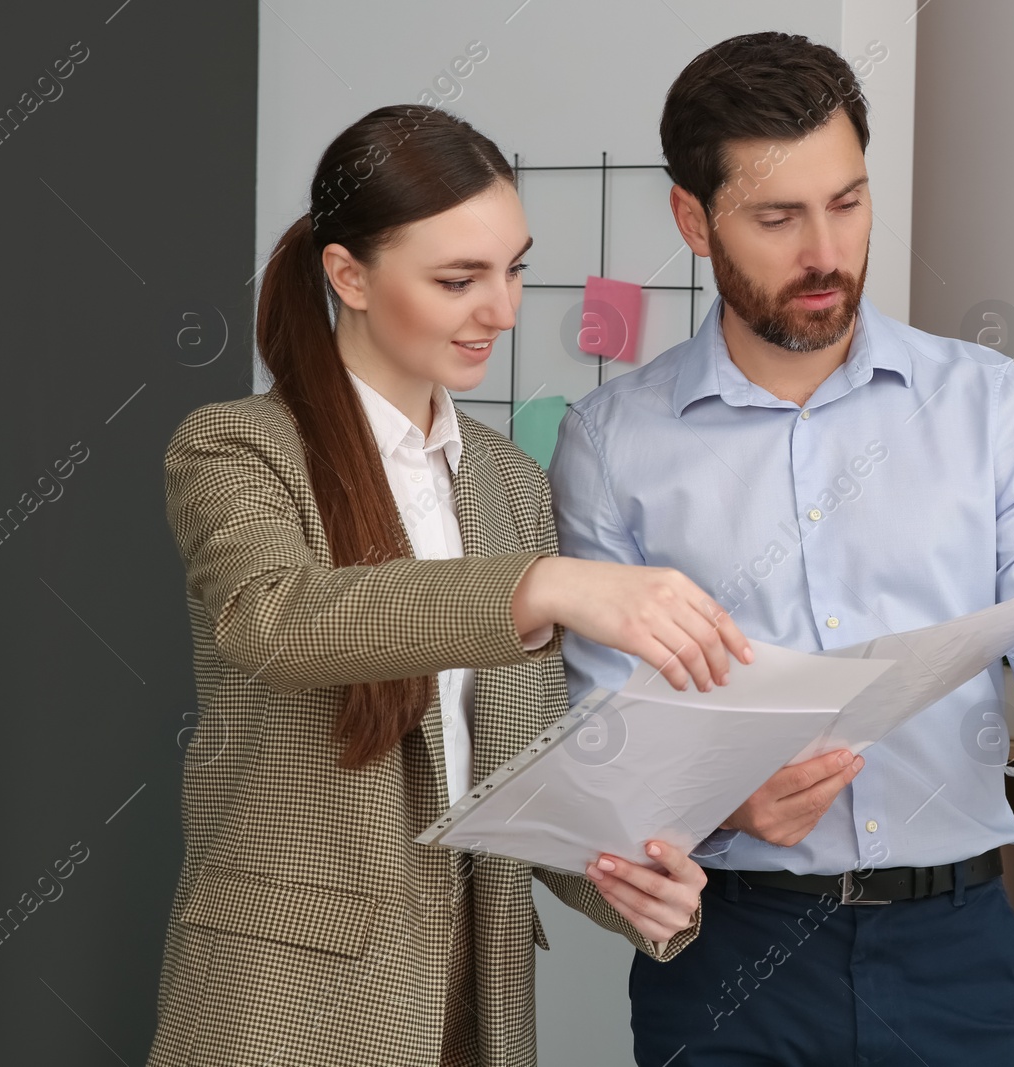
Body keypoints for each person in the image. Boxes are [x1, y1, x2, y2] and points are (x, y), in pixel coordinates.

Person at [547, 33, 1014, 1066]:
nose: (824, 250)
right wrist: (724, 802)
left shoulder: (984, 402)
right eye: (777, 217)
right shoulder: (612, 443)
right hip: (726, 961)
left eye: (847, 202)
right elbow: (604, 730)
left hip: (958, 951)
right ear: (693, 220)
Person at [148, 105, 753, 1067]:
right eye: (458, 279)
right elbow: (272, 620)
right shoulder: (235, 446)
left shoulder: (511, 480)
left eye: (513, 268)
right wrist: (541, 586)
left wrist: (625, 878)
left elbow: (512, 766)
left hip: (477, 1003)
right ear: (348, 275)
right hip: (288, 1009)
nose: (504, 310)